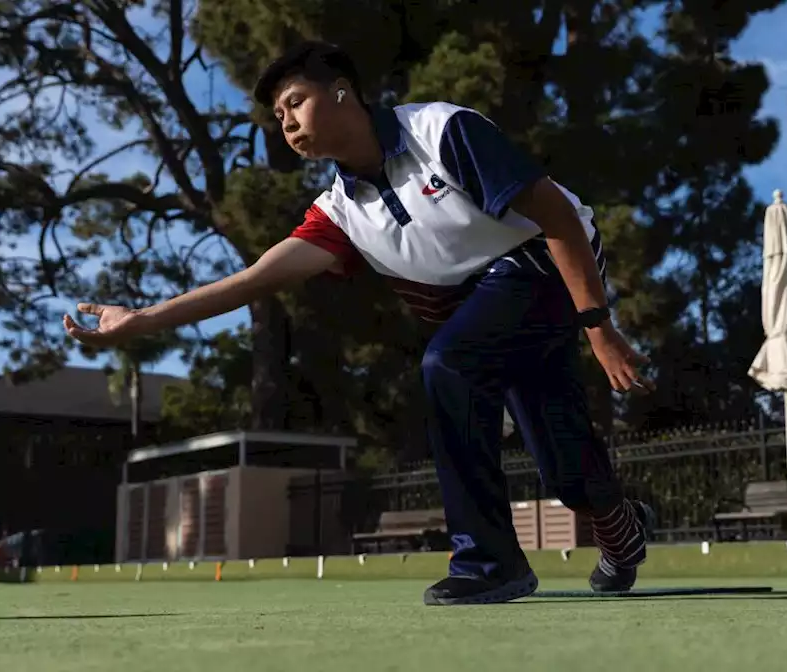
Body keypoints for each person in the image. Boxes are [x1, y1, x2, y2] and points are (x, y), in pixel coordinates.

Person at [63, 41, 657, 605]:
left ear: (343, 91)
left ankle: (488, 563)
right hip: (487, 300)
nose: (287, 123)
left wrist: (598, 327)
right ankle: (619, 526)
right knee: (557, 452)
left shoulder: (441, 131)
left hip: (547, 259)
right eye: (279, 116)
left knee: (448, 363)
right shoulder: (341, 211)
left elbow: (555, 215)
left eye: (295, 102)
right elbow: (252, 281)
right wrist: (142, 320)